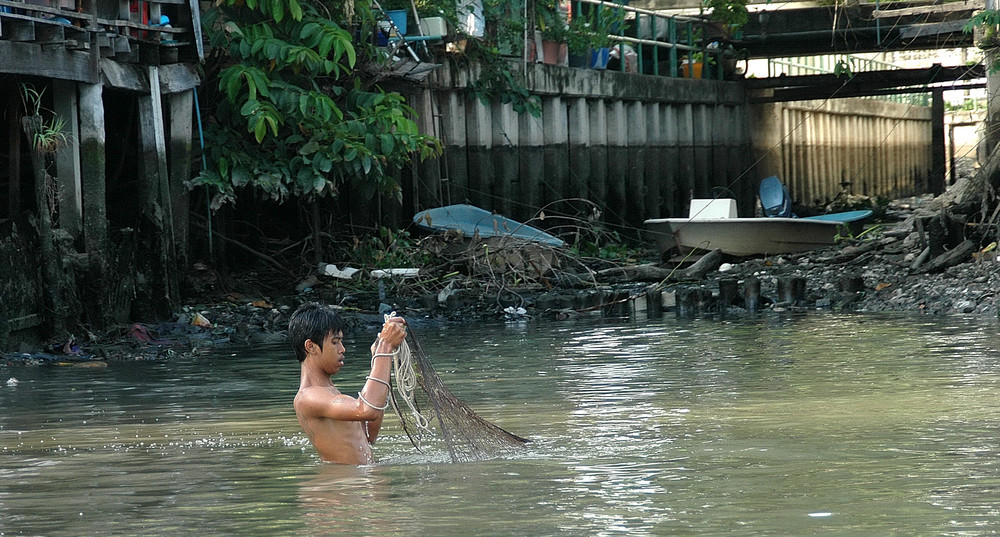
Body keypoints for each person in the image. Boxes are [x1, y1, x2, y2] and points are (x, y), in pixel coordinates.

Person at [288, 302, 408, 464]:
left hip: (358, 483)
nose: (342, 349)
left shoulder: (328, 391)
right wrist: (384, 349)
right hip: (347, 486)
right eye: (335, 342)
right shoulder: (309, 396)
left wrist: (378, 360)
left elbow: (368, 435)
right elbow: (367, 409)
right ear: (311, 347)